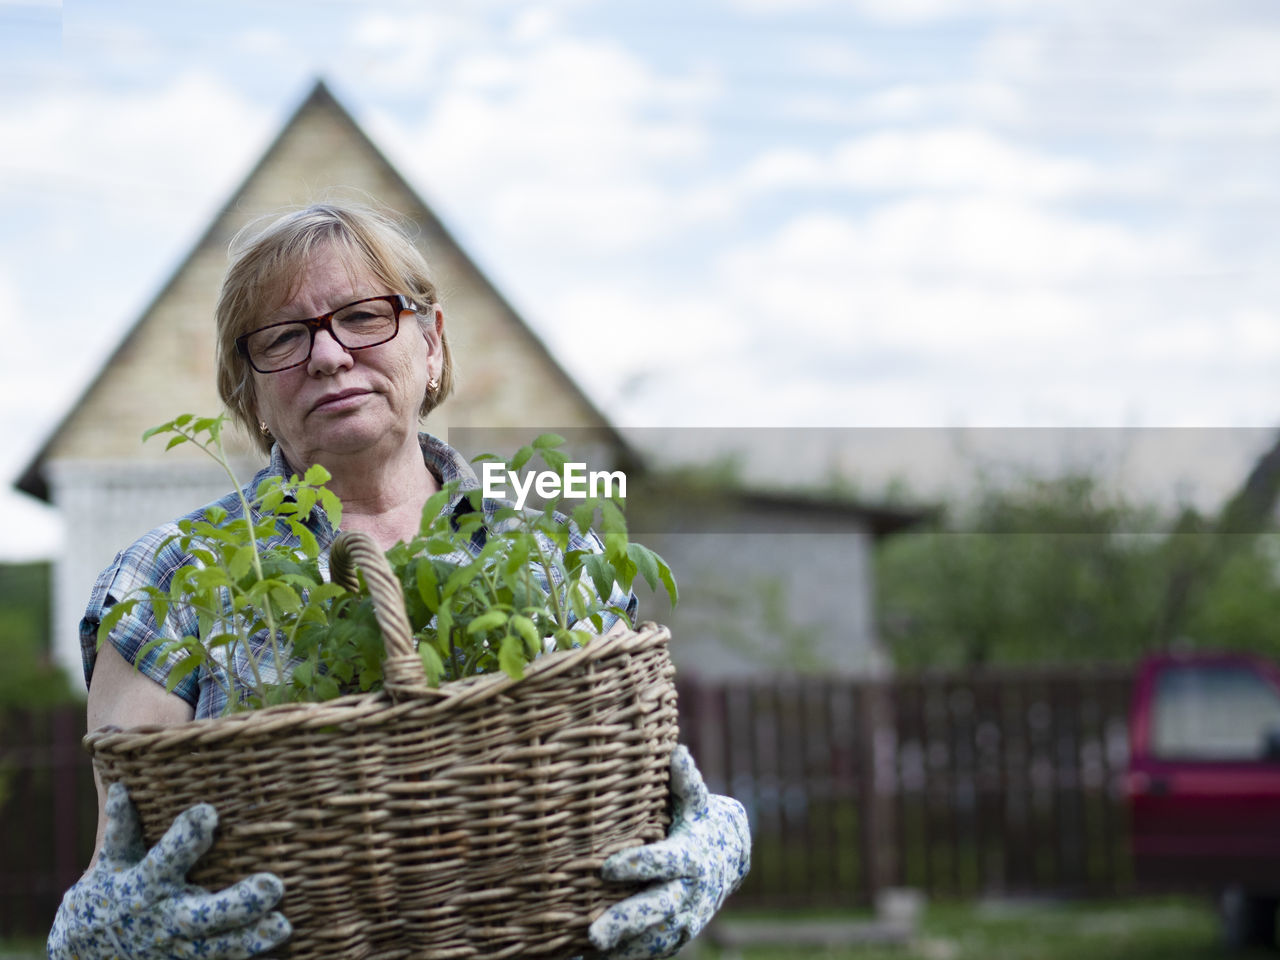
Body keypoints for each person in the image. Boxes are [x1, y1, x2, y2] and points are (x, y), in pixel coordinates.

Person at [48, 201, 751, 959]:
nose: (327, 356)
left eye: (362, 316)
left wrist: (717, 844)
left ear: (433, 344)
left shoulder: (555, 558)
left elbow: (653, 798)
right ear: (248, 392)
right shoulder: (168, 580)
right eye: (283, 337)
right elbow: (118, 869)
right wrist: (101, 938)